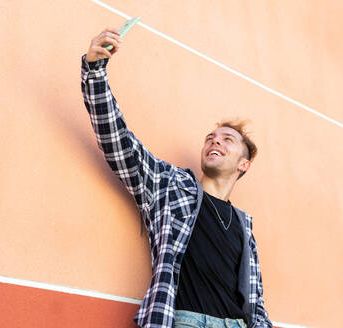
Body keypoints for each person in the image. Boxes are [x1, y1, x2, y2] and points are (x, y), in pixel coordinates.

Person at [80, 27, 273, 328]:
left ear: (243, 164)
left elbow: (255, 298)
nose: (215, 141)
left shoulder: (243, 225)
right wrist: (94, 70)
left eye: (227, 139)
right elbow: (118, 141)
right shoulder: (171, 186)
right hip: (183, 322)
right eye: (210, 137)